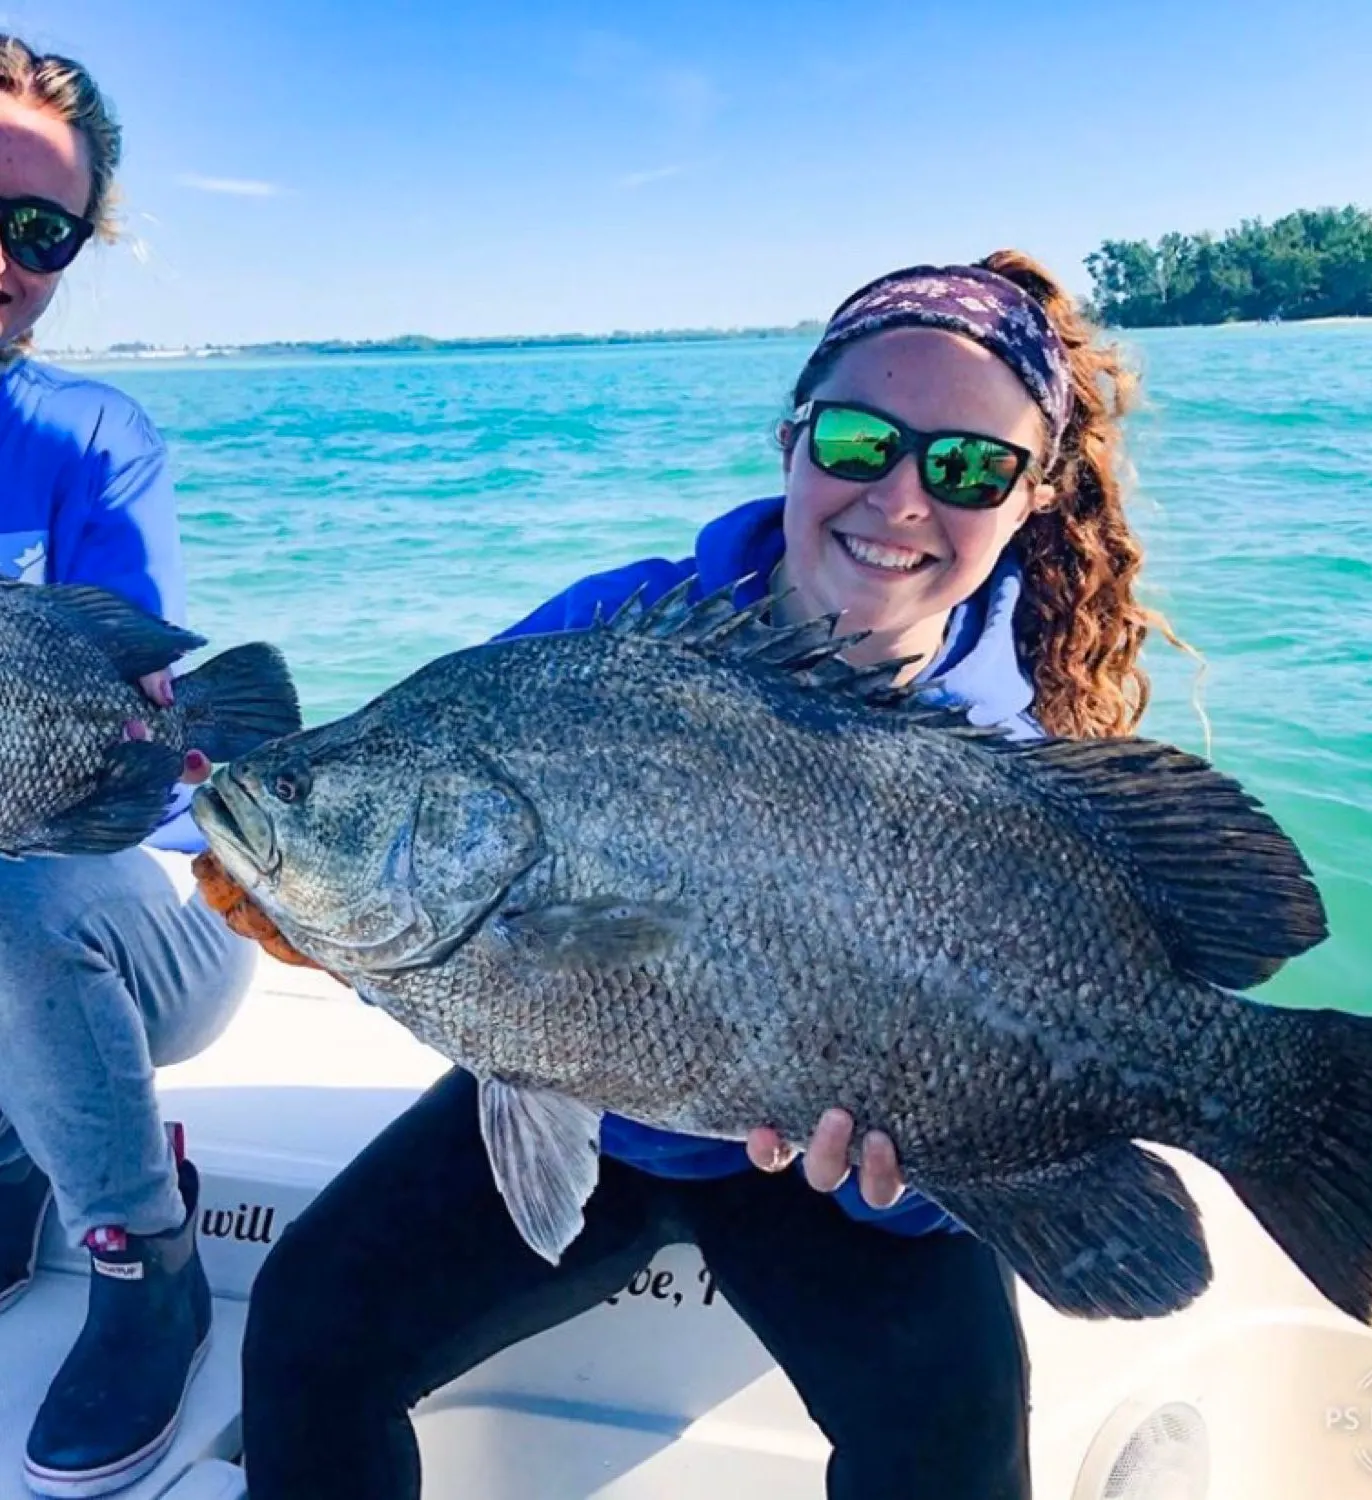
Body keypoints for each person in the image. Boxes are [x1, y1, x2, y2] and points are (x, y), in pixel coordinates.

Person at [232, 250, 1172, 1500]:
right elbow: (444, 917)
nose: (899, 498)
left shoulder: (1015, 769)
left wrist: (922, 1176)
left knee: (954, 1461)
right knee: (305, 1328)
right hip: (592, 1118)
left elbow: (1002, 1084)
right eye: (856, 439)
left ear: (1034, 496)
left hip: (835, 1189)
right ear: (790, 442)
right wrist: (312, 918)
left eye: (965, 466)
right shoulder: (597, 636)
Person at [0, 33, 257, 1499]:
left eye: (42, 231)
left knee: (15, 897)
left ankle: (145, 1256)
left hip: (138, 926)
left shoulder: (93, 441)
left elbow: (148, 763)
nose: (6, 258)